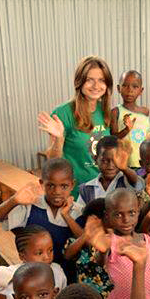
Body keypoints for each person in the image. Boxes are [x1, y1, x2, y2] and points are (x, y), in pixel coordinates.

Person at [38, 56, 113, 197]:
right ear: (79, 81)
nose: (96, 86)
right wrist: (59, 138)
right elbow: (53, 161)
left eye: (101, 80)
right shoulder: (63, 113)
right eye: (89, 80)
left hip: (103, 189)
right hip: (75, 193)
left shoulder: (106, 112)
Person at [0, 158, 84, 267]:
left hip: (68, 272)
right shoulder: (32, 205)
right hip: (35, 272)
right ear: (42, 183)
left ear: (72, 185)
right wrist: (14, 200)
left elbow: (85, 239)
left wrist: (66, 216)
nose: (57, 192)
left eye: (64, 186)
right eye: (50, 185)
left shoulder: (78, 211)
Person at [0, 225, 68, 299]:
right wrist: (26, 277)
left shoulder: (57, 271)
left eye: (50, 250)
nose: (47, 257)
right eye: (39, 253)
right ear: (23, 256)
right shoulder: (15, 273)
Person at [63, 199, 115, 299]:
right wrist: (86, 234)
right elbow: (67, 255)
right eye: (90, 219)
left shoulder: (113, 240)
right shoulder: (77, 241)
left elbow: (103, 261)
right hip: (82, 297)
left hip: (107, 298)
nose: (93, 223)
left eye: (97, 219)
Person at [76, 136, 144, 205]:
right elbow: (80, 211)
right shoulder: (87, 188)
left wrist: (125, 169)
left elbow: (136, 182)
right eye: (105, 160)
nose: (110, 165)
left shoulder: (126, 181)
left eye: (115, 160)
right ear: (96, 159)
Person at [110, 70, 150, 168]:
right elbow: (113, 139)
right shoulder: (116, 112)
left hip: (144, 162)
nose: (130, 90)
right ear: (118, 88)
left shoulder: (145, 112)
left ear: (141, 91)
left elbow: (146, 134)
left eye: (135, 86)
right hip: (124, 164)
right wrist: (126, 130)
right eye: (125, 86)